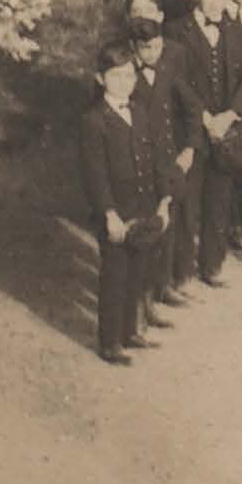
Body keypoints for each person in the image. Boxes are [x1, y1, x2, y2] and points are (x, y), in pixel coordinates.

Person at [79, 42, 171, 365]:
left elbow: (157, 159)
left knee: (138, 271)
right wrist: (109, 214)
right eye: (116, 76)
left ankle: (130, 330)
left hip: (144, 206)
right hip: (116, 213)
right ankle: (110, 341)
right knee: (115, 275)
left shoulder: (140, 112)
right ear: (101, 79)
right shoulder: (94, 121)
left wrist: (164, 202)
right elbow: (96, 175)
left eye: (129, 76)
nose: (124, 82)